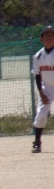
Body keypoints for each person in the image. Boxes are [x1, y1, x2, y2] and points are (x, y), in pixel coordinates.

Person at [31, 24, 54, 153]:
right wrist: (41, 93)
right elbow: (37, 75)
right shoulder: (38, 56)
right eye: (47, 35)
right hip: (46, 89)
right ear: (41, 39)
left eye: (52, 35)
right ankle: (37, 143)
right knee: (41, 114)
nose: (50, 37)